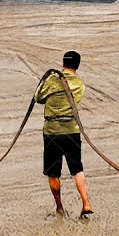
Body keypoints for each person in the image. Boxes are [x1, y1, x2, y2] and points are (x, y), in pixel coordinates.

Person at [34, 51, 93, 219]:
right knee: (77, 169)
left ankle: (59, 207)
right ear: (78, 65)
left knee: (53, 173)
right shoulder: (80, 84)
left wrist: (46, 79)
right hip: (72, 131)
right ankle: (86, 203)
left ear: (63, 63)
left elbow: (37, 97)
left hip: (52, 132)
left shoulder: (52, 80)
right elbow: (75, 101)